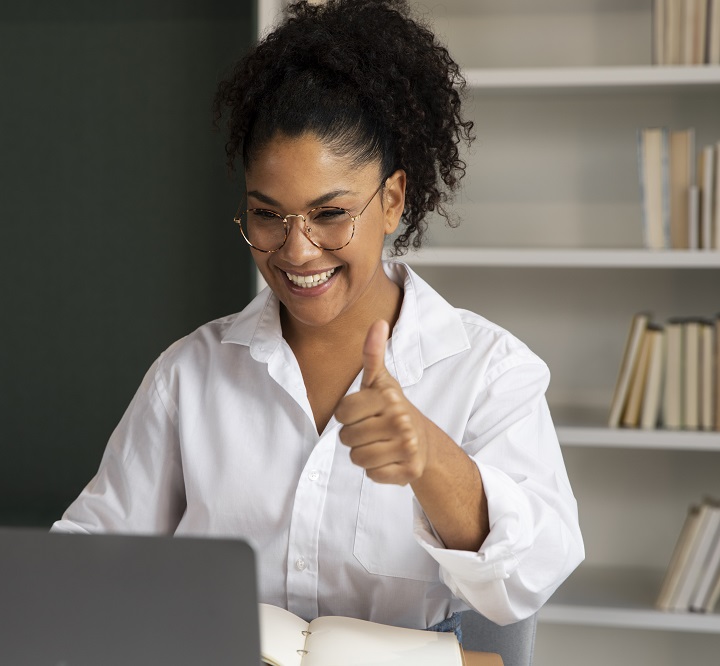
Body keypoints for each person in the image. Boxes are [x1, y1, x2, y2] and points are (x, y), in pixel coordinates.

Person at [53, 0, 584, 638]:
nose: (297, 249)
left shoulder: (489, 371)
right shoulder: (189, 373)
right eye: (267, 214)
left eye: (330, 214)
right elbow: (87, 554)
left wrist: (430, 458)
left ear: (391, 201)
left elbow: (528, 580)